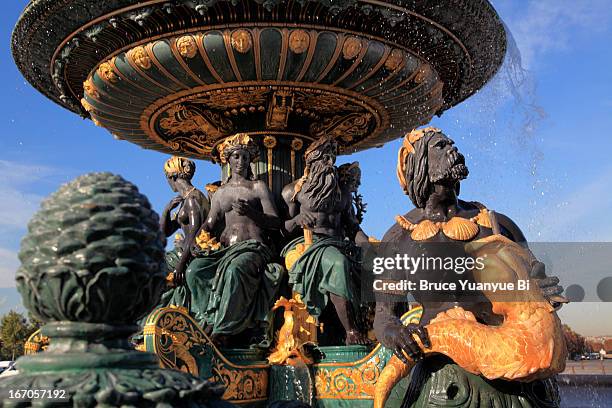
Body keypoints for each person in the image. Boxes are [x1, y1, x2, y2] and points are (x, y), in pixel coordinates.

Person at [177, 133, 284, 347]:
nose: (240, 162)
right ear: (228, 160)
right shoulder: (221, 193)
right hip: (226, 250)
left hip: (254, 248)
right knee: (194, 271)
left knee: (235, 270)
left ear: (250, 160)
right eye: (236, 157)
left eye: (244, 157)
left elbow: (275, 222)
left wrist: (252, 213)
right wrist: (198, 241)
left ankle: (225, 330)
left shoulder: (257, 188)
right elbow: (209, 223)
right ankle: (204, 321)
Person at [281, 136, 368, 345]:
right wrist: (296, 219)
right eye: (325, 157)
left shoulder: (342, 193)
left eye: (332, 157)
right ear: (312, 162)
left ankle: (374, 326)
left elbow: (352, 227)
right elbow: (282, 229)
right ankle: (351, 331)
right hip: (311, 244)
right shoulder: (294, 191)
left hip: (339, 243)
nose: (330, 162)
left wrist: (371, 247)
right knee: (338, 264)